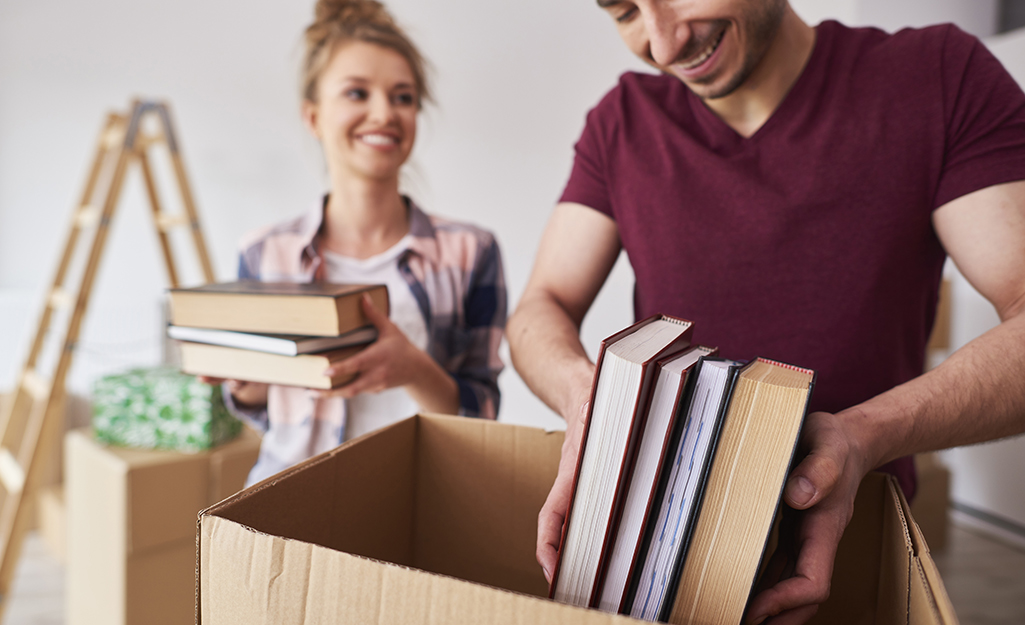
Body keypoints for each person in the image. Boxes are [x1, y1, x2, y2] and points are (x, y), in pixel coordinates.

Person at [507, 1, 1025, 623]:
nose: (663, 45)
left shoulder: (938, 75)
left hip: (858, 560)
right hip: (661, 570)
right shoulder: (621, 120)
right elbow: (542, 305)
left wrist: (862, 437)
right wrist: (586, 400)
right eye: (624, 11)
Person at [216, 0, 506, 487]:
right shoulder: (265, 252)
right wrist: (247, 386)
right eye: (356, 92)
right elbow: (267, 414)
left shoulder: (471, 252)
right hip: (289, 499)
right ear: (313, 117)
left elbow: (484, 417)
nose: (383, 113)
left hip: (421, 503)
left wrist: (414, 369)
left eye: (403, 97)